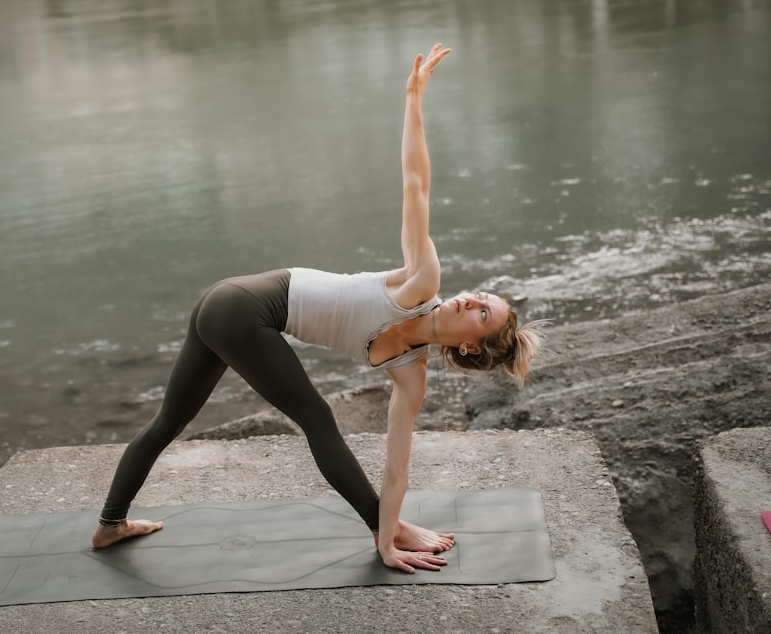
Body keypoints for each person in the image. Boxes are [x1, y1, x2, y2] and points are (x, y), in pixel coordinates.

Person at [92, 42, 544, 574]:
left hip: (229, 309)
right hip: (242, 307)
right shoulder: (423, 281)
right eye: (482, 296)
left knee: (171, 419)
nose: (472, 299)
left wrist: (390, 531)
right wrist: (414, 101)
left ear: (470, 344)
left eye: (482, 313)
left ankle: (110, 524)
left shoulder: (411, 376)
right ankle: (385, 526)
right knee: (317, 418)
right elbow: (416, 186)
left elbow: (397, 465)